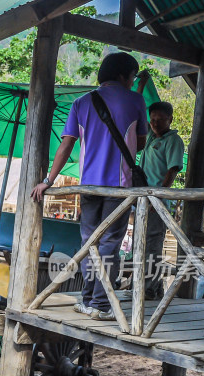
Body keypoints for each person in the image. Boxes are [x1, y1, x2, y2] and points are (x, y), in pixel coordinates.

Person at [31, 52, 148, 320]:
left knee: (88, 242)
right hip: (119, 187)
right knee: (109, 245)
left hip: (88, 187)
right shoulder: (136, 100)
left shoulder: (81, 103)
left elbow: (66, 144)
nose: (132, 81)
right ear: (123, 75)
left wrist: (48, 181)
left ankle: (87, 299)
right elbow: (139, 144)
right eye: (132, 76)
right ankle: (101, 304)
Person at [137, 101, 185, 299]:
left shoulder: (173, 141)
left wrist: (159, 197)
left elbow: (172, 170)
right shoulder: (150, 137)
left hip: (157, 201)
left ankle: (148, 288)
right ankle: (152, 288)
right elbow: (137, 111)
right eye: (153, 119)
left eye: (160, 120)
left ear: (170, 120)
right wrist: (140, 85)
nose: (155, 123)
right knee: (140, 244)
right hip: (142, 199)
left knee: (152, 245)